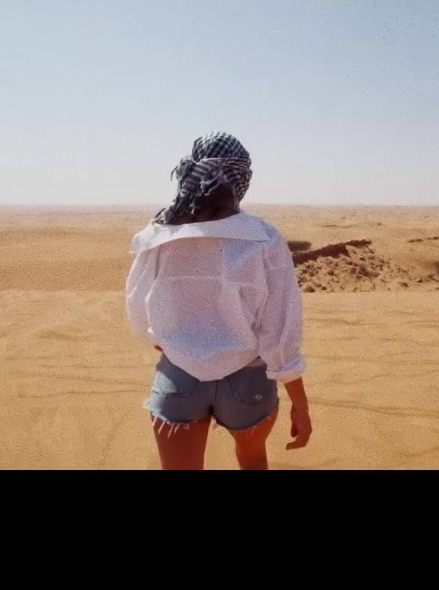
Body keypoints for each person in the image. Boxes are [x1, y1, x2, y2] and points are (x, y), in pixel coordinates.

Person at [125, 132, 311, 470]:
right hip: (248, 382)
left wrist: (163, 338)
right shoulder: (263, 237)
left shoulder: (159, 233)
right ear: (242, 178)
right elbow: (279, 327)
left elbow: (137, 303)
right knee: (252, 460)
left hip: (178, 377)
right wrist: (300, 403)